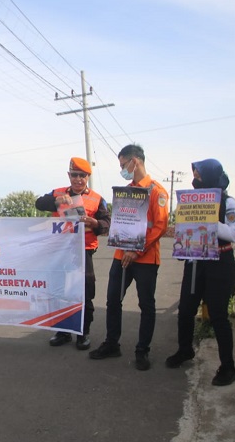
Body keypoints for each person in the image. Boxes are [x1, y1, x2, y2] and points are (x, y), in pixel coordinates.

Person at [89, 144, 169, 371]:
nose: (122, 169)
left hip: (145, 259)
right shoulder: (126, 191)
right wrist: (125, 250)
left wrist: (137, 251)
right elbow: (120, 224)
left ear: (136, 161)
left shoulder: (157, 192)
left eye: (124, 165)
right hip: (121, 256)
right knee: (113, 299)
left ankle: (142, 351)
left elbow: (160, 227)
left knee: (147, 305)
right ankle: (112, 343)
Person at [165, 159, 235, 386]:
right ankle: (184, 350)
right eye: (195, 175)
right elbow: (186, 228)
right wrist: (183, 244)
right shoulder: (191, 201)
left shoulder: (229, 202)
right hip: (195, 260)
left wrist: (209, 221)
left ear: (211, 176)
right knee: (186, 310)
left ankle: (228, 367)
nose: (196, 179)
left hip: (219, 261)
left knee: (218, 315)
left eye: (199, 175)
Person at [35, 157, 110, 350]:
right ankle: (63, 331)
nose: (78, 179)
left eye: (82, 176)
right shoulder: (58, 193)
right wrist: (55, 201)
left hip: (83, 253)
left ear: (87, 177)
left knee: (84, 294)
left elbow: (107, 224)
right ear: (69, 175)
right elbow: (39, 203)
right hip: (59, 252)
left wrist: (95, 224)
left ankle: (83, 333)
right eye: (74, 175)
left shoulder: (97, 199)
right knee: (60, 292)